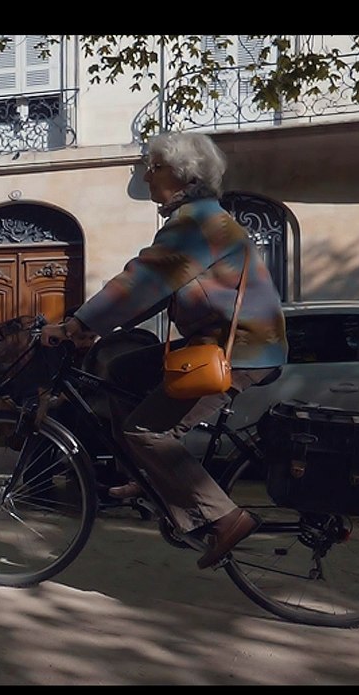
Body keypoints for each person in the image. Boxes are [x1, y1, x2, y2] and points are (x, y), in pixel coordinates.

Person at [40, 131, 288, 570]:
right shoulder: (196, 220)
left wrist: (79, 323)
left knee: (147, 431)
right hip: (215, 344)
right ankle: (149, 474)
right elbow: (156, 294)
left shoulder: (197, 224)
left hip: (237, 352)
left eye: (154, 167)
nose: (146, 175)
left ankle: (224, 517)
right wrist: (92, 330)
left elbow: (144, 280)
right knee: (121, 373)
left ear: (183, 176)